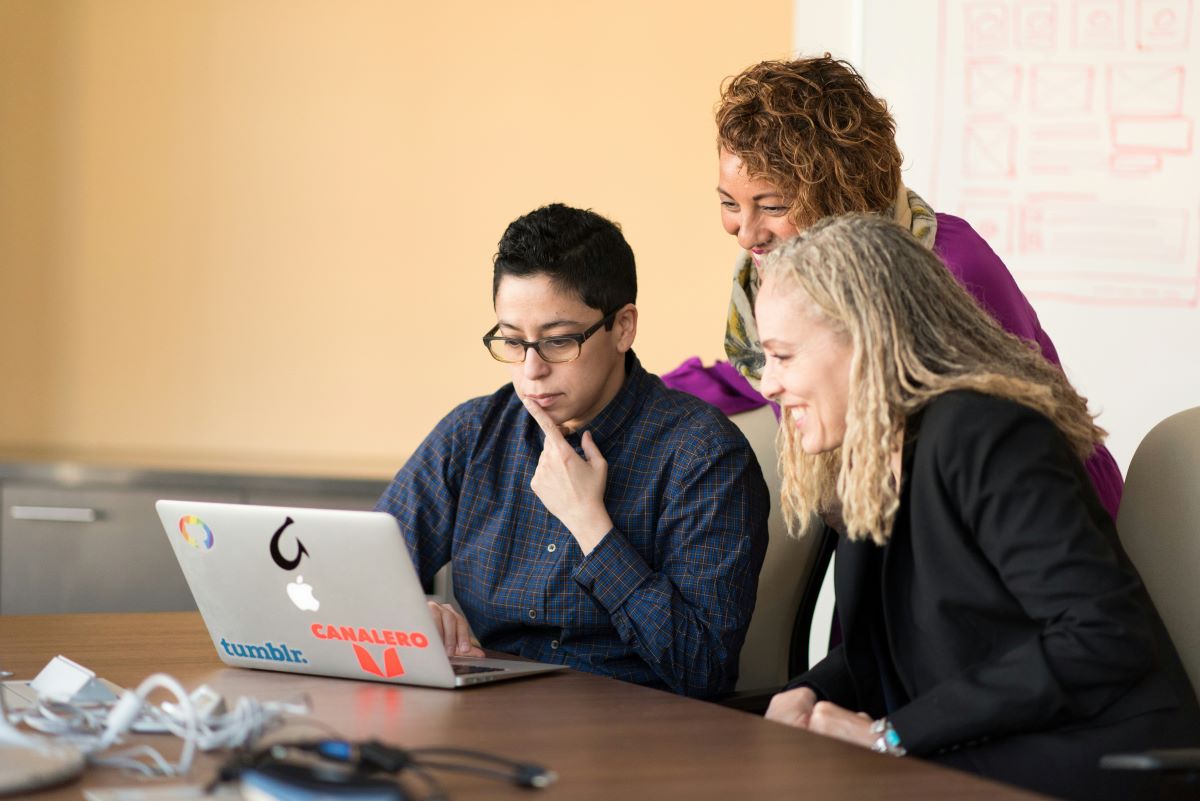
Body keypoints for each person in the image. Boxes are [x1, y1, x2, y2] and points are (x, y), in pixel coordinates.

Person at [755, 213, 1200, 801]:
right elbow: (889, 648)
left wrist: (892, 736)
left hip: (1101, 759)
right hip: (988, 748)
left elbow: (1100, 636)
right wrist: (808, 694)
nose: (766, 384)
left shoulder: (990, 435)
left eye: (782, 357)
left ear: (864, 338)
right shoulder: (873, 453)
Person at [374, 203, 769, 698]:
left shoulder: (703, 455)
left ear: (623, 327)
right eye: (514, 342)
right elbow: (362, 575)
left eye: (558, 342)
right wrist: (408, 614)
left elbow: (702, 667)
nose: (531, 370)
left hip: (637, 733)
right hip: (490, 719)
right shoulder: (474, 434)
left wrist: (591, 525)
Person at [706, 54, 1124, 519]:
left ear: (838, 194)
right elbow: (783, 368)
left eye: (773, 207)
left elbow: (1017, 438)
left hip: (1043, 521)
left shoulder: (948, 265)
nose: (745, 234)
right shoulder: (773, 278)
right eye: (729, 203)